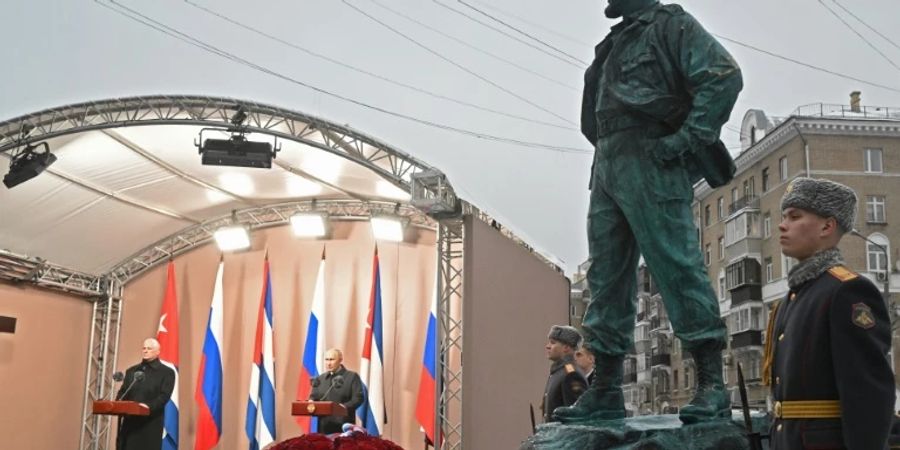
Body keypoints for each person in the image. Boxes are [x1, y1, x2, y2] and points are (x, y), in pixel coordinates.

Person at [554, 0, 743, 425]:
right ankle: (604, 389)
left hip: (651, 158)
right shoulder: (614, 41)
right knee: (606, 277)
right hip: (608, 160)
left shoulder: (670, 25)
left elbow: (723, 76)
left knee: (676, 265)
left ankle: (711, 384)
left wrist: (685, 140)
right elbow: (594, 115)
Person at [764, 177, 895, 449]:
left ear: (827, 226)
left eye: (794, 216)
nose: (782, 224)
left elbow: (868, 395)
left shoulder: (846, 291)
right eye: (784, 216)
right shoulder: (789, 300)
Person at [116, 338, 176, 450]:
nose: (145, 351)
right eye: (144, 348)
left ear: (158, 351)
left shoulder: (166, 372)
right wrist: (118, 403)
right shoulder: (132, 371)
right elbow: (123, 392)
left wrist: (148, 406)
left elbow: (164, 396)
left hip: (150, 425)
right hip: (129, 425)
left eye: (149, 348)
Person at [310, 348, 364, 434]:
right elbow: (313, 397)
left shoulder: (352, 377)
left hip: (344, 426)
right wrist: (311, 402)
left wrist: (343, 407)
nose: (328, 363)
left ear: (340, 360)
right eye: (326, 360)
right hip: (324, 427)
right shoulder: (320, 379)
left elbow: (358, 398)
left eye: (332, 359)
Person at [542, 326, 588, 423]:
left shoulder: (571, 374)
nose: (548, 346)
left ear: (566, 347)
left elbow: (576, 417)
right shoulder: (559, 371)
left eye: (553, 343)